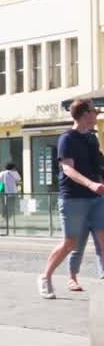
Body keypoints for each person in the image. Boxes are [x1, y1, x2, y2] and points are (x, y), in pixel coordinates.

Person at [39, 100, 104, 299]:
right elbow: (67, 169)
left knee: (103, 239)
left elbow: (98, 169)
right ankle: (45, 277)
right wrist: (91, 184)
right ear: (85, 114)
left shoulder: (92, 139)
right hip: (73, 198)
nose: (97, 114)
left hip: (96, 198)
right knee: (70, 243)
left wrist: (99, 183)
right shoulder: (67, 139)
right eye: (95, 111)